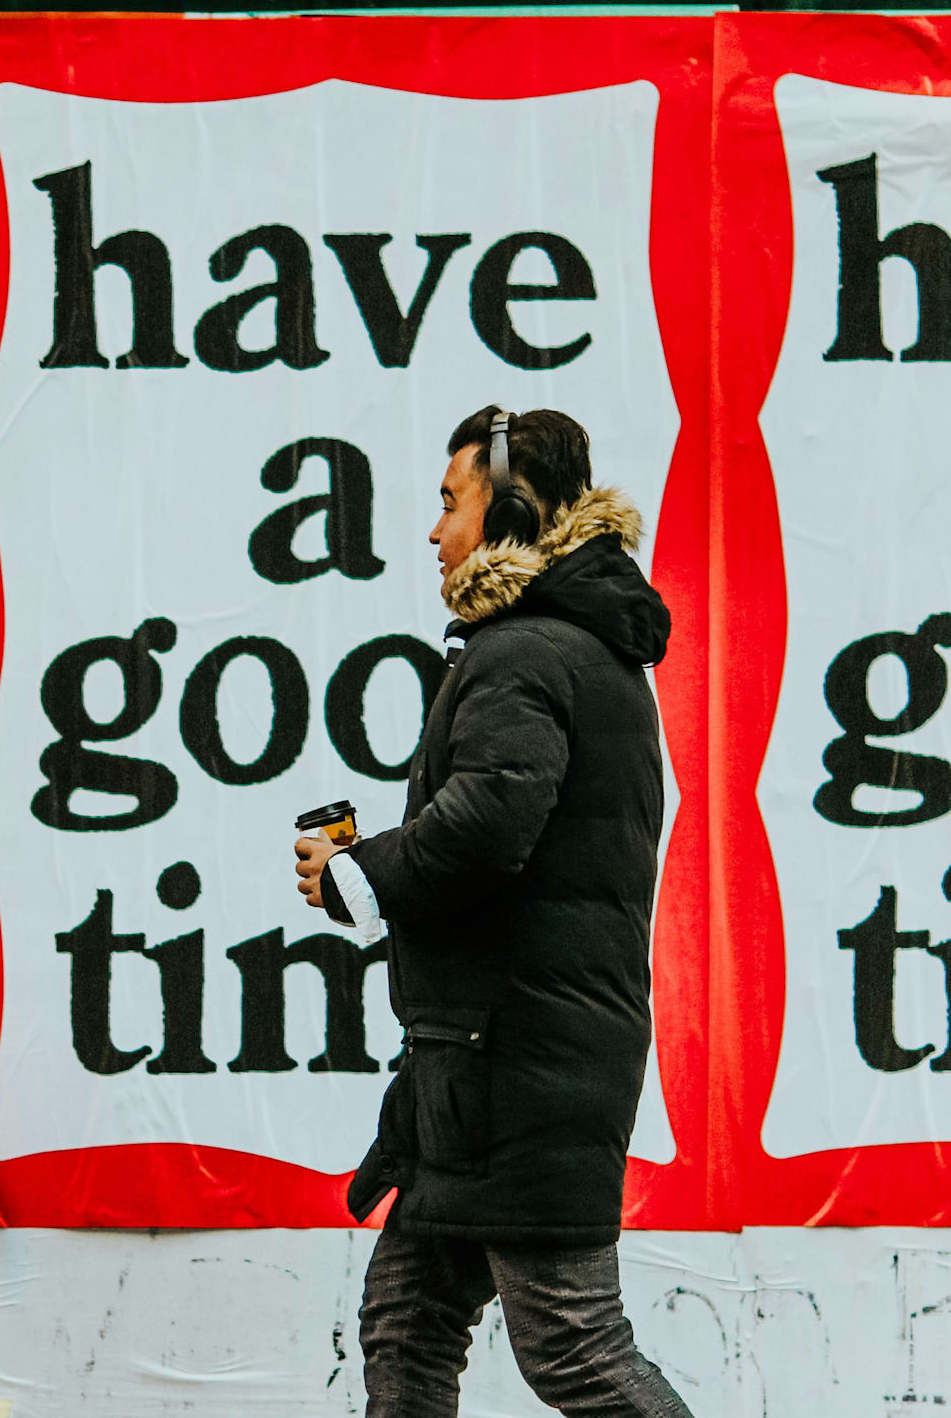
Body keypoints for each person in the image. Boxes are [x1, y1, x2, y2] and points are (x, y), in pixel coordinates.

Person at [293, 405, 690, 1418]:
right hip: (487, 1065)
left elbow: (486, 825)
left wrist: (355, 872)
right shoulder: (579, 649)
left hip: (521, 1069)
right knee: (409, 1318)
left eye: (450, 501)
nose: (434, 532)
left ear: (512, 507)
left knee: (571, 1347)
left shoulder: (523, 651)